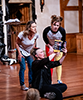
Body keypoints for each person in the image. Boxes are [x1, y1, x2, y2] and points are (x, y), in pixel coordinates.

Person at [15, 20, 39, 91]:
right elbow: (16, 43)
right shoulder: (22, 34)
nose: (35, 28)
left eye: (35, 26)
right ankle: (22, 84)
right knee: (23, 67)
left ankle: (31, 83)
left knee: (31, 67)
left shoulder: (36, 35)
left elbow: (34, 43)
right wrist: (19, 54)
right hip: (21, 51)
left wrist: (33, 51)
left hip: (29, 52)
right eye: (33, 27)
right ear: (29, 28)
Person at [43, 15, 66, 83]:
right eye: (54, 25)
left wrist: (58, 50)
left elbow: (63, 41)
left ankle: (59, 79)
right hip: (49, 45)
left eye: (57, 25)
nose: (55, 27)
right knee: (50, 63)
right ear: (51, 24)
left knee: (58, 62)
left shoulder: (62, 31)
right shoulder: (46, 30)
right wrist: (50, 47)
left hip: (58, 46)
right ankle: (50, 79)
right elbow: (45, 40)